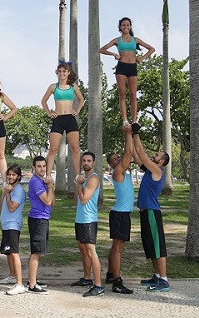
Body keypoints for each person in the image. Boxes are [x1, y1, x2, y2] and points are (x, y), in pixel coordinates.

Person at [132, 122, 170, 292]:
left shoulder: (157, 170)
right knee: (150, 246)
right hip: (146, 212)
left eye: (156, 155)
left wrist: (136, 132)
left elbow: (141, 152)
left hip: (152, 213)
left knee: (157, 246)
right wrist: (129, 134)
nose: (154, 155)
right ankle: (156, 276)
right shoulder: (149, 170)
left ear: (161, 161)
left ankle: (164, 280)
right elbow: (135, 153)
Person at [99, 17, 154, 125]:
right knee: (122, 93)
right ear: (120, 27)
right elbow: (102, 49)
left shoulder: (136, 40)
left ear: (130, 26)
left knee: (133, 94)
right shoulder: (117, 40)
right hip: (121, 67)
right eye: (123, 25)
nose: (126, 27)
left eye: (128, 25)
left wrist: (142, 58)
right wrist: (114, 54)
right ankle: (124, 119)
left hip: (132, 66)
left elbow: (151, 49)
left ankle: (134, 121)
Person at [41, 61, 85, 180]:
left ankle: (78, 175)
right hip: (58, 119)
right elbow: (43, 101)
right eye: (60, 71)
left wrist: (77, 110)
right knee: (53, 149)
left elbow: (81, 99)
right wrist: (50, 113)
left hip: (70, 119)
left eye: (64, 71)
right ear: (57, 73)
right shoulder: (53, 86)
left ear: (68, 72)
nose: (62, 73)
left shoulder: (73, 86)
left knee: (75, 148)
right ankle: (48, 175)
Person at [106, 124, 135, 294]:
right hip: (120, 215)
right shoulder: (118, 172)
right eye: (115, 159)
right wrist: (128, 134)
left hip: (121, 214)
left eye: (119, 157)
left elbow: (130, 154)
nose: (119, 159)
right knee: (118, 248)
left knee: (115, 246)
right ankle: (117, 282)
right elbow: (129, 154)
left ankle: (111, 274)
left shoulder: (123, 172)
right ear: (111, 165)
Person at [71, 151, 104, 297]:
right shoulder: (83, 179)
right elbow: (76, 200)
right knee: (83, 250)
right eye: (84, 161)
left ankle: (98, 286)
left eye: (89, 161)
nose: (86, 163)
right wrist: (78, 184)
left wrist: (79, 184)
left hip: (89, 220)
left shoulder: (93, 178)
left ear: (94, 163)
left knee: (91, 252)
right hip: (80, 219)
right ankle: (86, 278)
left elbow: (84, 199)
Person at [27, 155, 55, 294]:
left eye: (44, 166)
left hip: (43, 218)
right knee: (36, 252)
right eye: (39, 166)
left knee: (38, 251)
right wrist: (50, 187)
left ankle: (33, 279)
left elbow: (52, 201)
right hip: (38, 219)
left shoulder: (43, 181)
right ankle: (32, 285)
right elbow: (48, 201)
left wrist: (50, 186)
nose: (42, 169)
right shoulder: (36, 182)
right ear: (34, 167)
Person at [0, 164, 27, 295]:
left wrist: (8, 194)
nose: (10, 177)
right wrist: (4, 193)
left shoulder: (18, 190)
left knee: (14, 253)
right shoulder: (9, 189)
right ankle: (12, 275)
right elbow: (0, 206)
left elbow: (11, 208)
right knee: (8, 252)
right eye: (9, 174)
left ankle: (19, 284)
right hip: (6, 225)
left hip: (13, 225)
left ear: (18, 177)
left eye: (13, 175)